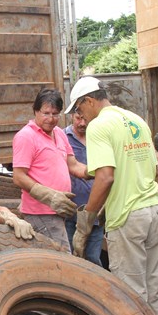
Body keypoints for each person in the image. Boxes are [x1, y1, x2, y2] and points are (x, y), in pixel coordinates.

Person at [66, 76, 158, 315]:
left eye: (79, 109)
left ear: (89, 101)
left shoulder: (99, 126)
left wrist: (87, 218)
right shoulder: (135, 120)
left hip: (128, 217)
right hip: (153, 211)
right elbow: (153, 169)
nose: (81, 117)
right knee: (151, 287)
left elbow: (106, 176)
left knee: (130, 293)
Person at [12, 88, 87, 251]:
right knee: (63, 259)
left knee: (55, 259)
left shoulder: (59, 134)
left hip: (58, 212)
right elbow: (18, 177)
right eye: (46, 113)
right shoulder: (26, 137)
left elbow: (73, 165)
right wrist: (48, 196)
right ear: (36, 111)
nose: (51, 119)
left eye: (55, 114)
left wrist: (95, 171)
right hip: (40, 213)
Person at [64, 111, 104, 266]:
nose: (81, 123)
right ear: (71, 116)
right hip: (70, 210)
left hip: (95, 211)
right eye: (78, 118)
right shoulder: (62, 137)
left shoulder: (99, 137)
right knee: (70, 259)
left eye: (85, 119)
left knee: (93, 259)